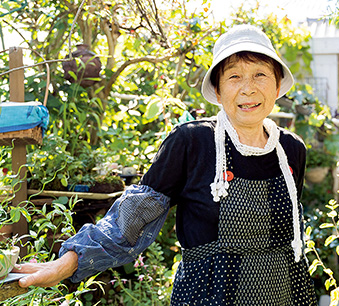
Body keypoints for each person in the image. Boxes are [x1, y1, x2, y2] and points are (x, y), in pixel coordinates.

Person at [13, 24, 318, 305]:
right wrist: (67, 262)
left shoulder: (292, 150)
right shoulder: (193, 142)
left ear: (278, 86)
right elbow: (130, 220)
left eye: (260, 75)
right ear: (218, 90)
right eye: (234, 76)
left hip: (284, 295)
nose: (248, 89)